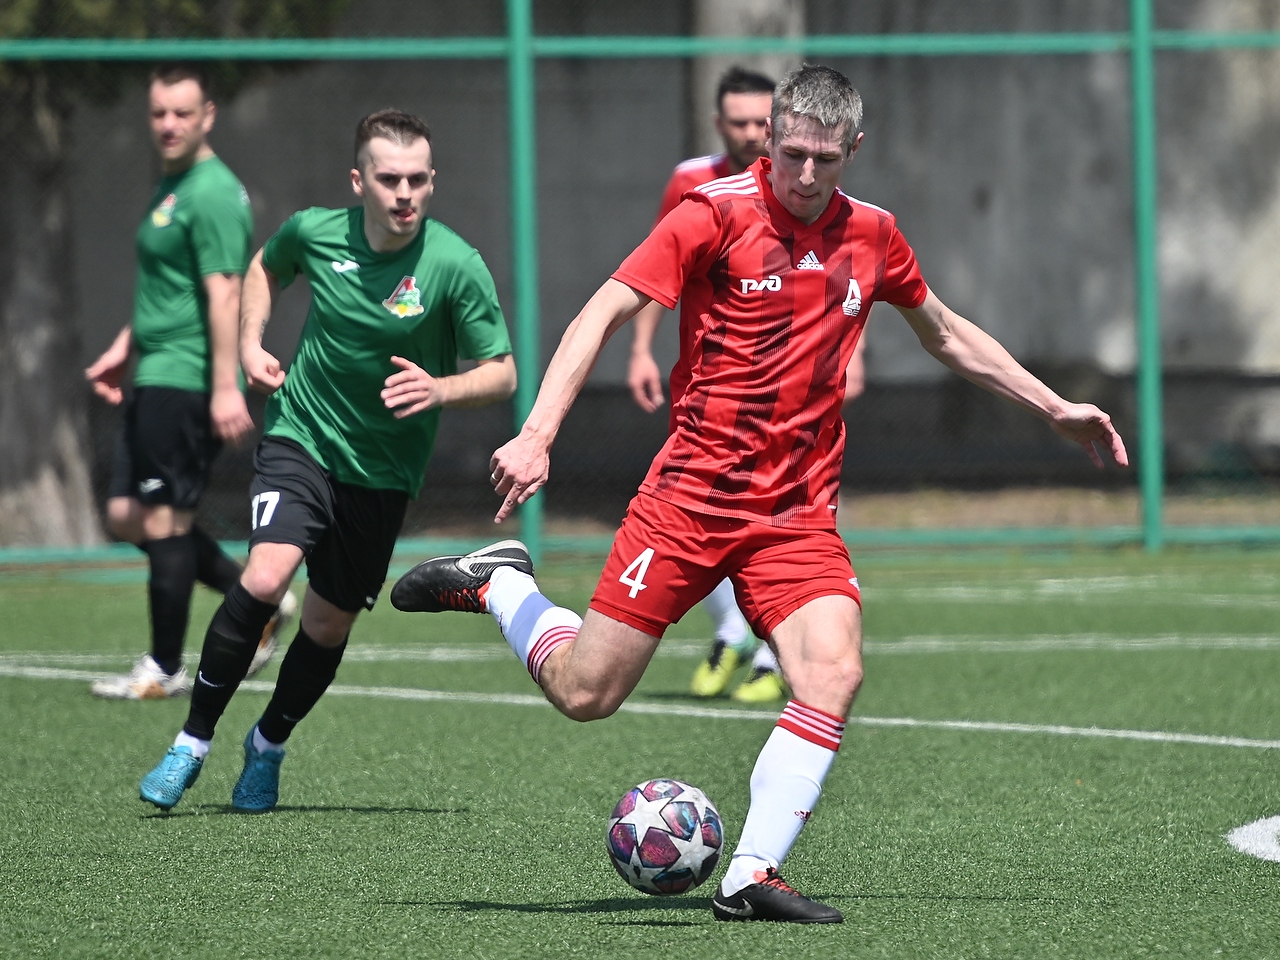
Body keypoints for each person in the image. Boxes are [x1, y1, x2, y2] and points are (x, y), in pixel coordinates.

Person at [392, 64, 1127, 923]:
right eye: (792, 154)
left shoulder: (875, 234)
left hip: (795, 514)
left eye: (826, 159)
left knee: (834, 670)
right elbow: (600, 313)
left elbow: (945, 332)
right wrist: (538, 432)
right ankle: (501, 585)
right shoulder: (710, 213)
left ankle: (749, 875)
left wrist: (1052, 407)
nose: (805, 175)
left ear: (853, 148)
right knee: (586, 693)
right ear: (769, 138)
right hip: (690, 499)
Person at [137, 109, 516, 813]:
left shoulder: (454, 264)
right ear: (359, 181)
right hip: (302, 434)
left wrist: (441, 388)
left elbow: (502, 372)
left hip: (383, 472)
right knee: (264, 574)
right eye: (389, 179)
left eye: (417, 180)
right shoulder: (314, 231)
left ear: (432, 181)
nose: (404, 193)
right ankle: (191, 741)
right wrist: (250, 343)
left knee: (326, 625)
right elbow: (265, 266)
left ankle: (268, 742)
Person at [628, 67, 866, 704]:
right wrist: (642, 348)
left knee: (825, 648)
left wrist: (856, 352)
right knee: (590, 689)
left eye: (759, 119)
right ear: (729, 127)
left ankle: (765, 652)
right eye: (739, 122)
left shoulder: (830, 198)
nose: (749, 131)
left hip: (796, 429)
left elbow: (850, 279)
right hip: (709, 404)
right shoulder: (697, 190)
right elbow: (652, 273)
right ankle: (733, 631)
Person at [85, 64, 294, 701]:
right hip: (153, 371)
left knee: (166, 520)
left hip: (187, 377)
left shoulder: (211, 191)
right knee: (126, 515)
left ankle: (163, 666)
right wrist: (125, 346)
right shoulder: (170, 185)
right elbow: (167, 289)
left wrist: (226, 386)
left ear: (208, 116)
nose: (169, 124)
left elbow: (223, 293)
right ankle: (259, 598)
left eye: (182, 112)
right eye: (159, 113)